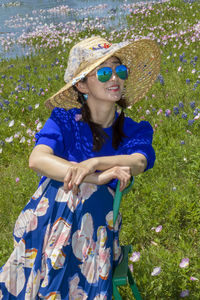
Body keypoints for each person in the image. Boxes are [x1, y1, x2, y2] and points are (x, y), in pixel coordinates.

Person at [0, 36, 160, 299]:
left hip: (97, 237)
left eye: (120, 70)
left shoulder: (134, 130)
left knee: (81, 193)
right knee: (70, 189)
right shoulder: (64, 120)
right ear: (82, 84)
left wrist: (93, 163)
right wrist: (96, 178)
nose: (115, 78)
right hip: (47, 223)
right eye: (104, 72)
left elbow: (139, 161)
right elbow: (37, 159)